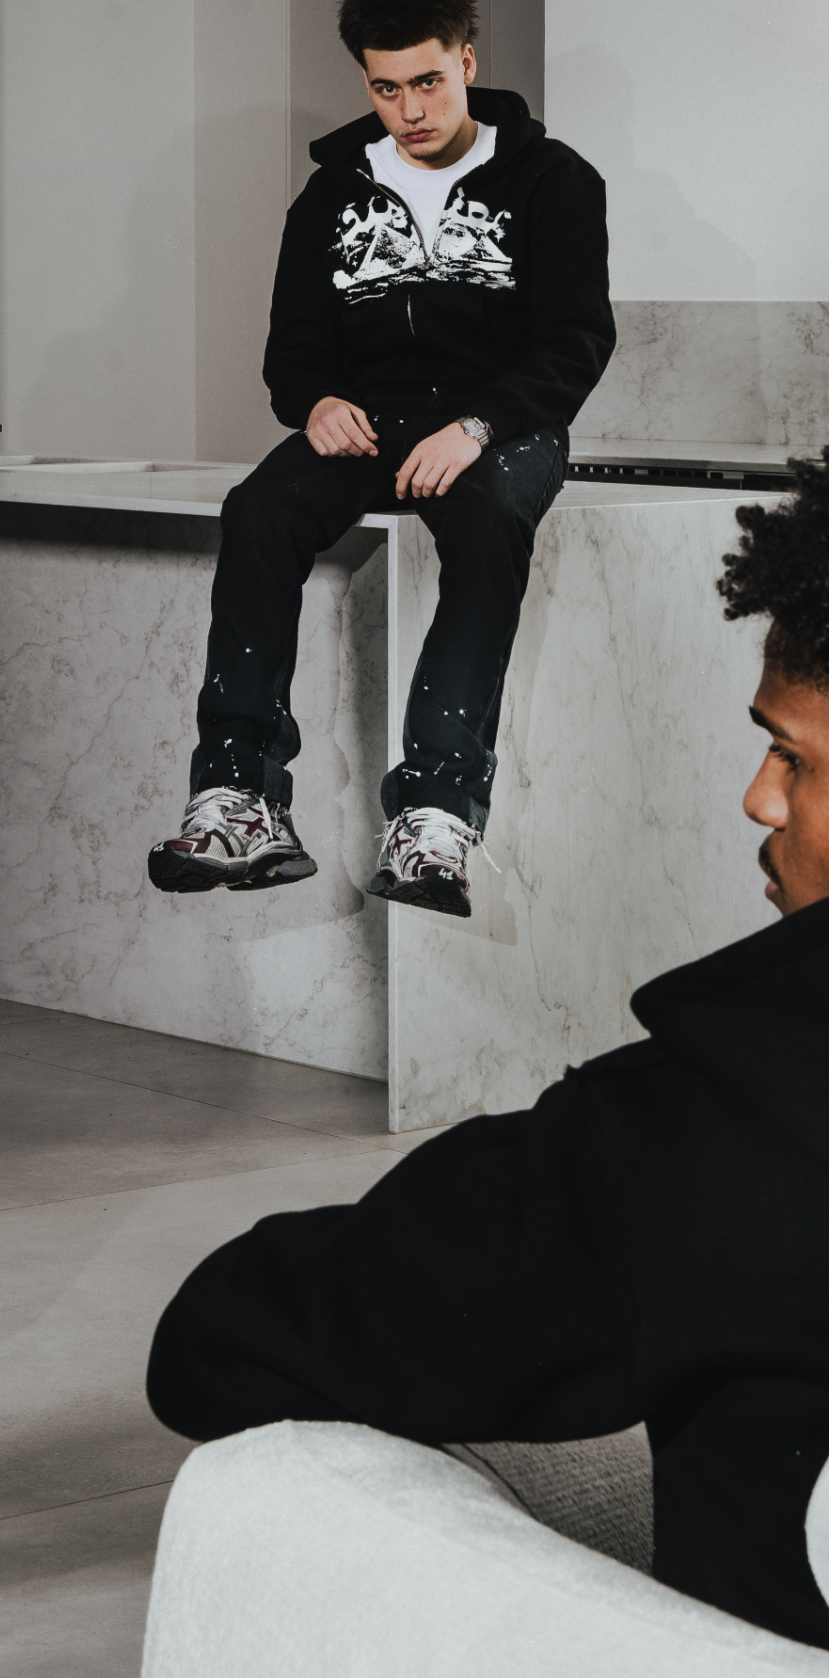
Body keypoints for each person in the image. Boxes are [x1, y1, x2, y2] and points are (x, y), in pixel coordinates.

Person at [146, 453, 829, 1649]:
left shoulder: (706, 1127)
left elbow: (226, 1337)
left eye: (794, 757)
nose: (756, 801)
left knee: (267, 1488)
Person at [149, 0, 615, 914]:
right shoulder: (330, 194)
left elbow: (576, 341)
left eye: (428, 82)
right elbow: (293, 347)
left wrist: (478, 425)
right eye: (386, 88)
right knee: (258, 509)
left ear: (467, 61)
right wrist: (315, 400)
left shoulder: (554, 180)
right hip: (371, 419)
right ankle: (237, 795)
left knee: (490, 515)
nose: (410, 110)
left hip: (500, 420)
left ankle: (435, 813)